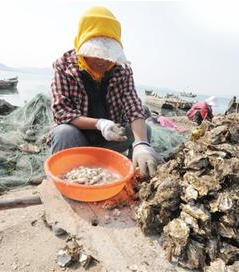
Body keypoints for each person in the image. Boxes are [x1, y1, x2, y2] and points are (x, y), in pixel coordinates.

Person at [50, 6, 158, 177]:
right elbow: (62, 113)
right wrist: (100, 124)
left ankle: (134, 175)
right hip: (78, 140)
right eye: (96, 53)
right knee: (64, 132)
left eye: (107, 55)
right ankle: (63, 178)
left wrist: (141, 144)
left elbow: (134, 108)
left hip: (111, 138)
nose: (102, 61)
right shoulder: (64, 65)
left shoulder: (122, 69)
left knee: (144, 132)